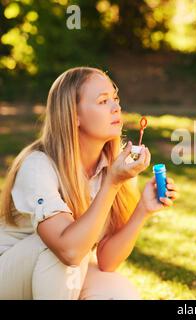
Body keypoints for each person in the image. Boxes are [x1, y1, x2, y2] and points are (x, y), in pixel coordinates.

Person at [0, 67, 179, 299]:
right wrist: (113, 183)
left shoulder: (114, 166)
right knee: (64, 248)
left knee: (119, 293)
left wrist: (142, 210)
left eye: (115, 99)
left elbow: (107, 260)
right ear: (74, 116)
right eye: (103, 101)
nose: (116, 107)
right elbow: (69, 251)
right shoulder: (38, 165)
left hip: (64, 268)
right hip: (8, 276)